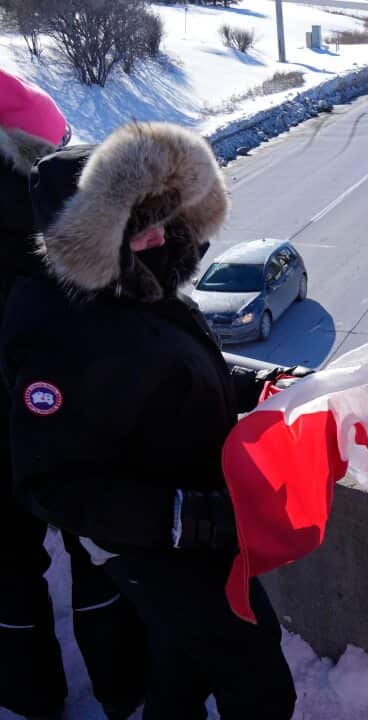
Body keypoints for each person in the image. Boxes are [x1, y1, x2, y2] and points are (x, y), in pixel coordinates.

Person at [1, 121, 298, 720]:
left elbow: (176, 379)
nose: (161, 237)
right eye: (141, 228)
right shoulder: (58, 334)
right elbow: (53, 484)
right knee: (261, 682)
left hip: (201, 525)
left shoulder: (143, 290)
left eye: (165, 219)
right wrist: (190, 519)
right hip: (156, 544)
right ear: (93, 237)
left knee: (178, 669)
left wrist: (255, 385)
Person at [0, 70, 148, 720]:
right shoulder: (57, 216)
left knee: (7, 574)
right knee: (98, 561)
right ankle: (126, 694)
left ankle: (30, 702)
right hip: (70, 420)